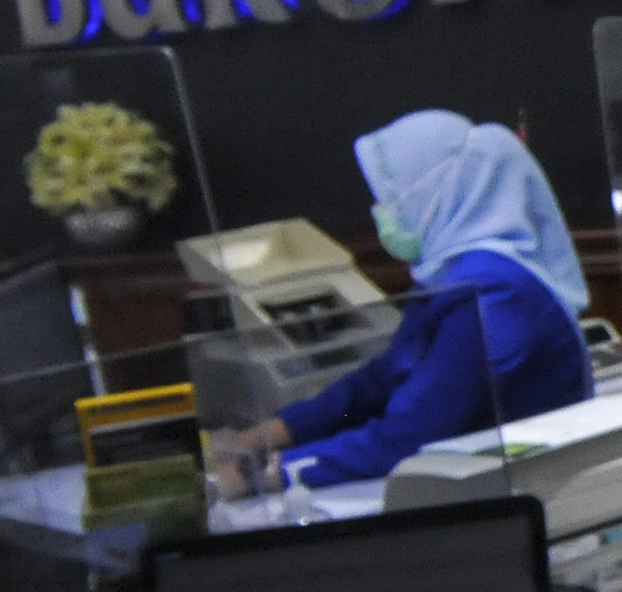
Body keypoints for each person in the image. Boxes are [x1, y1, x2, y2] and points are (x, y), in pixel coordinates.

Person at [215, 109, 592, 491]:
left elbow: (410, 434)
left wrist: (268, 473)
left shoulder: (492, 291)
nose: (382, 212)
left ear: (436, 194)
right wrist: (277, 433)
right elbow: (387, 380)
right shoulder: (458, 272)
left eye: (393, 198)